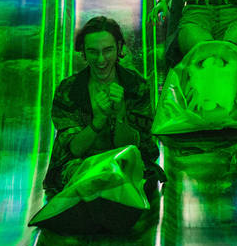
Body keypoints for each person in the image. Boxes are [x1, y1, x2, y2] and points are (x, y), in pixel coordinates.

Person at [34, 17, 162, 233]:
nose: (101, 59)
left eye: (108, 50)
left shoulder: (135, 86)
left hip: (122, 165)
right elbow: (74, 149)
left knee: (126, 170)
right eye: (93, 51)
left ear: (119, 48)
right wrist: (98, 122)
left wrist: (120, 116)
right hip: (82, 166)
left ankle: (99, 203)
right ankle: (103, 203)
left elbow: (137, 148)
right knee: (84, 173)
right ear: (83, 51)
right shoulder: (69, 90)